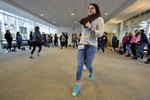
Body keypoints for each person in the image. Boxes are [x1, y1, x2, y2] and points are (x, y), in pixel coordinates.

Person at [72, 3, 104, 96]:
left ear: (96, 10)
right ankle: (77, 84)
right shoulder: (85, 20)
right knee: (80, 64)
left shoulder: (99, 19)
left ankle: (91, 72)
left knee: (88, 64)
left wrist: (91, 28)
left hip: (91, 45)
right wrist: (79, 38)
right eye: (89, 8)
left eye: (92, 8)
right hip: (82, 45)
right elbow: (84, 33)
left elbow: (101, 33)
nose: (90, 9)